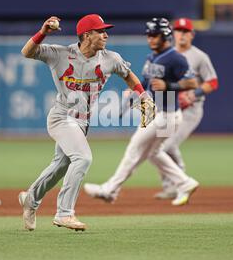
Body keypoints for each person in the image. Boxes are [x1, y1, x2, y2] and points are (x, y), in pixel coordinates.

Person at [19, 14, 155, 232]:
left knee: (60, 167)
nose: (105, 34)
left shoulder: (111, 58)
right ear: (86, 35)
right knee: (83, 158)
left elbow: (129, 76)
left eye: (105, 30)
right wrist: (43, 32)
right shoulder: (60, 54)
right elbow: (27, 52)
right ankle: (64, 213)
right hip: (61, 116)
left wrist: (143, 96)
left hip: (82, 123)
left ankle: (31, 199)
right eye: (100, 31)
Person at [84, 17, 200, 206]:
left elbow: (193, 82)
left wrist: (169, 84)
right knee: (153, 153)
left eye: (155, 35)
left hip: (167, 113)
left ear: (166, 36)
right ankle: (185, 183)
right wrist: (132, 96)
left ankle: (109, 190)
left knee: (134, 149)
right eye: (149, 35)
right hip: (156, 111)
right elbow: (145, 83)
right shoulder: (151, 57)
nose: (151, 39)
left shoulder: (176, 57)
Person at [155, 17, 219, 203]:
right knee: (159, 147)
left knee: (167, 146)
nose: (181, 34)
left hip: (190, 110)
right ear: (173, 33)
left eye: (185, 31)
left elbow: (213, 82)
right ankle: (170, 187)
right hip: (169, 107)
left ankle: (183, 183)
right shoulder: (166, 55)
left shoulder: (199, 56)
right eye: (178, 30)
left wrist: (194, 94)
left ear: (192, 34)